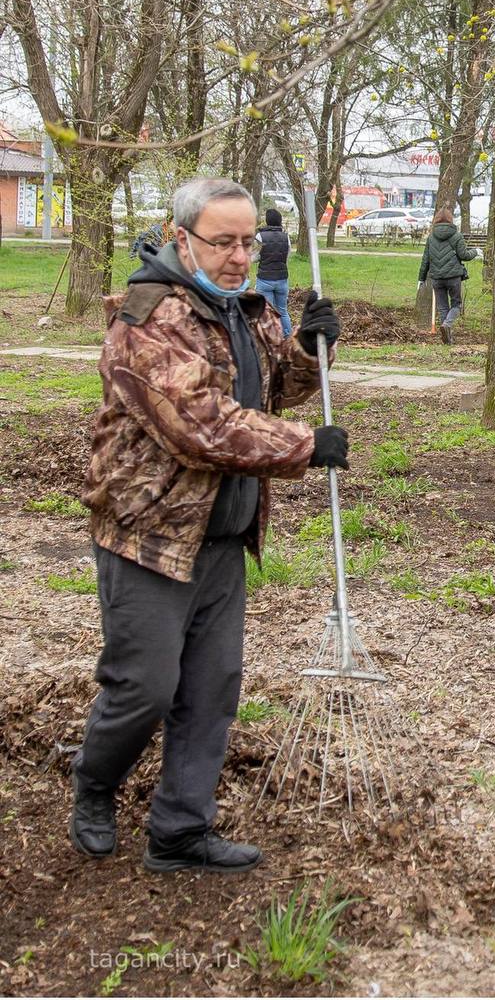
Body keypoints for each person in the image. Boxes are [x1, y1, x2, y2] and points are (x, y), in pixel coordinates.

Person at [71, 178, 346, 874]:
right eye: (223, 241)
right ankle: (94, 784)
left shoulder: (244, 310)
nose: (239, 256)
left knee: (210, 690)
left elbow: (268, 389)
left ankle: (179, 831)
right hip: (150, 535)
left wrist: (310, 351)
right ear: (180, 235)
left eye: (248, 240)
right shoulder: (149, 318)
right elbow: (200, 425)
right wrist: (306, 446)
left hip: (223, 536)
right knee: (144, 687)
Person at [417, 207, 478, 344]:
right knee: (456, 304)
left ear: (436, 220)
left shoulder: (431, 238)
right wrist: (475, 251)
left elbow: (425, 260)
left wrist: (421, 279)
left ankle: (447, 340)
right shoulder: (457, 236)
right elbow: (464, 256)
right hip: (453, 277)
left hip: (437, 278)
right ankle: (447, 325)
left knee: (443, 307)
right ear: (450, 220)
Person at [254, 207, 292, 336]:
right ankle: (288, 337)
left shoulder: (260, 236)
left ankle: (271, 339)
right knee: (283, 311)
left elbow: (254, 257)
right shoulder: (286, 237)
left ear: (267, 220)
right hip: (282, 278)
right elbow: (287, 256)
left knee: (267, 312)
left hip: (265, 279)